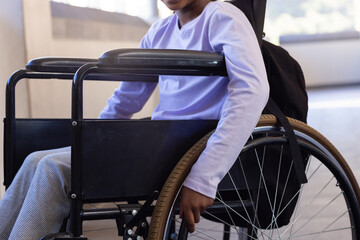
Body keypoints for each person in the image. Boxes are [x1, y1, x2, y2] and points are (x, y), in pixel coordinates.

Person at [0, 0, 269, 238]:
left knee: (52, 168)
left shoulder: (223, 18)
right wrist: (91, 142)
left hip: (190, 146)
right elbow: (126, 99)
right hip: (159, 139)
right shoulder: (161, 31)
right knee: (35, 160)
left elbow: (252, 90)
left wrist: (204, 178)